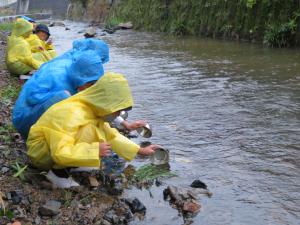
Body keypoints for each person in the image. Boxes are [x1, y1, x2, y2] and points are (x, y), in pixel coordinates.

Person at [26, 72, 159, 188]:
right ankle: (57, 174)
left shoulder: (92, 109)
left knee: (100, 131)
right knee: (90, 132)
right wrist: (94, 150)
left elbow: (112, 136)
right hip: (42, 153)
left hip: (52, 149)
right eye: (117, 110)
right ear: (106, 103)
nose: (118, 114)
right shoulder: (72, 113)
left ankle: (73, 165)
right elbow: (60, 152)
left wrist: (140, 150)